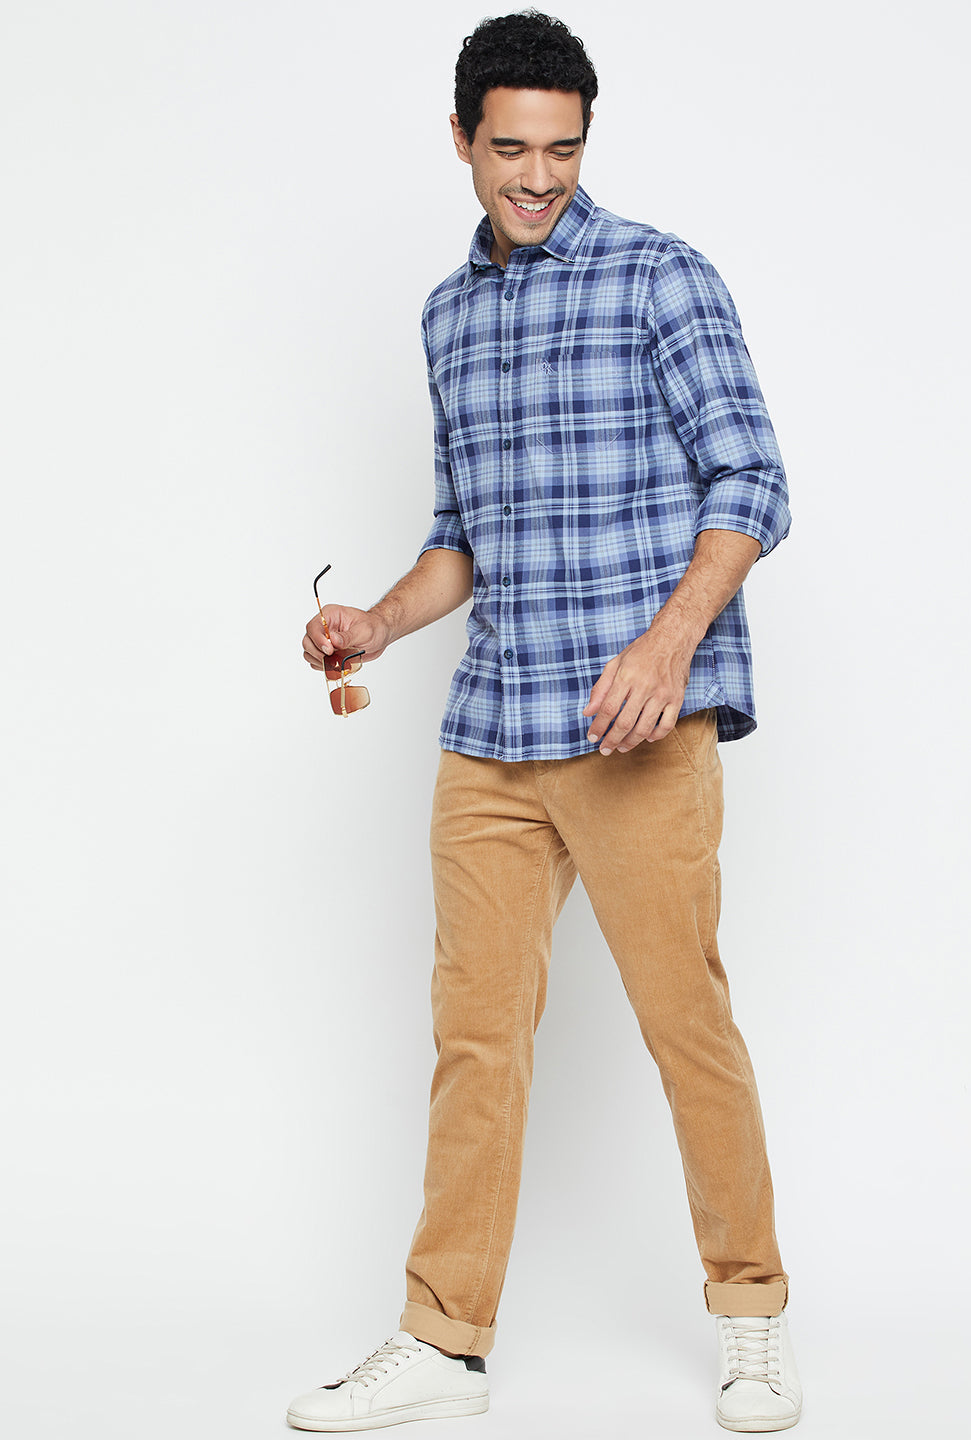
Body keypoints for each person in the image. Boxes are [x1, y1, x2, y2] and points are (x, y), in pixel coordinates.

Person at [289, 9, 802, 1433]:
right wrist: (376, 621)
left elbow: (752, 483)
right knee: (475, 1039)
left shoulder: (660, 276)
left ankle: (752, 1315)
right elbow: (460, 537)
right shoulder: (448, 316)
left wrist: (669, 643)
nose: (537, 177)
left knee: (685, 1022)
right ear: (462, 140)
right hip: (492, 732)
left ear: (585, 141)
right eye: (510, 149)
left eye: (562, 150)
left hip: (638, 728)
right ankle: (443, 1341)